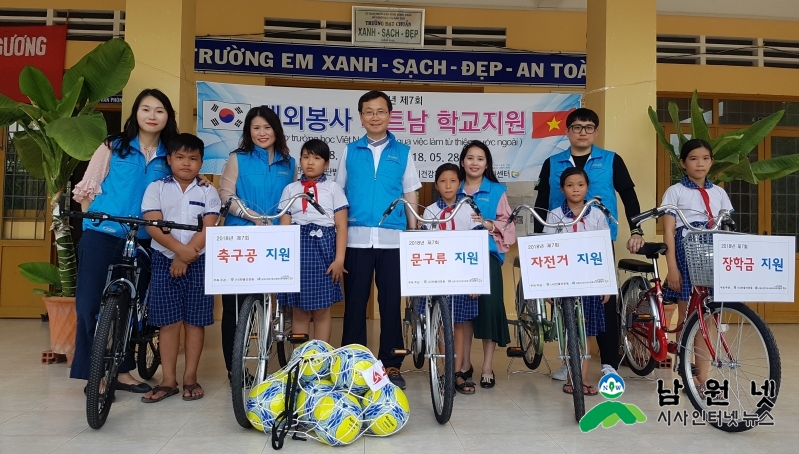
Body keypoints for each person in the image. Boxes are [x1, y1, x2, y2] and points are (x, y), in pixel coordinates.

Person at [70, 88, 179, 393]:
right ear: (136, 113)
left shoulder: (169, 154)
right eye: (146, 109)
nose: (152, 116)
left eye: (160, 110)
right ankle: (94, 372)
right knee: (90, 304)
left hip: (146, 239)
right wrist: (93, 222)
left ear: (167, 116)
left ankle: (122, 370)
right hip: (103, 233)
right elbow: (88, 189)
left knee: (133, 306)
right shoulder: (114, 146)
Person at [533, 107, 643, 380]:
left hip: (598, 243)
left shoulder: (611, 160)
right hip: (560, 243)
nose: (583, 132)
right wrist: (537, 245)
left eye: (589, 127)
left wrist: (636, 229)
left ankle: (608, 362)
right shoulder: (552, 162)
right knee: (565, 304)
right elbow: (541, 203)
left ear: (596, 131)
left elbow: (628, 195)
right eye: (577, 127)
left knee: (605, 301)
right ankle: (569, 361)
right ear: (568, 131)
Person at [335, 90, 422, 389]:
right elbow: (338, 195)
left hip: (393, 241)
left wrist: (413, 233)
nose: (375, 116)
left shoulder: (404, 152)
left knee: (390, 305)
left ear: (389, 115)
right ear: (360, 116)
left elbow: (411, 193)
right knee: (355, 305)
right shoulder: (349, 151)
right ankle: (353, 362)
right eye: (369, 111)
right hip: (356, 240)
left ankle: (392, 363)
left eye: (380, 111)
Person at [140, 133, 221, 402]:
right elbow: (153, 224)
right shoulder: (157, 187)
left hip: (199, 259)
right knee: (168, 322)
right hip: (164, 258)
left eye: (193, 158)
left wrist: (186, 255)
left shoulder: (208, 190)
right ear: (170, 160)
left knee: (195, 321)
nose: (186, 163)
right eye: (180, 157)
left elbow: (209, 226)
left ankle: (190, 378)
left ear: (201, 163)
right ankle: (168, 380)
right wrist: (178, 251)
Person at [219, 106, 296, 378]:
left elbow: (291, 200)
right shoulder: (237, 158)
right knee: (234, 307)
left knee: (267, 304)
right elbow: (226, 195)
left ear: (276, 130)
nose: (262, 133)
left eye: (267, 127)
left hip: (274, 239)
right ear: (248, 132)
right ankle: (235, 369)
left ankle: (263, 359)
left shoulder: (289, 163)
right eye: (256, 128)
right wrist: (251, 217)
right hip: (240, 236)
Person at [662, 138, 732, 389]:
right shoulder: (675, 191)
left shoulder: (719, 193)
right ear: (683, 163)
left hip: (714, 250)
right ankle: (685, 370)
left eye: (705, 158)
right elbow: (668, 231)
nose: (700, 163)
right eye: (693, 158)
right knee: (687, 314)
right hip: (686, 249)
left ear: (712, 161)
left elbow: (726, 227)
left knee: (709, 316)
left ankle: (702, 379)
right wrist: (672, 267)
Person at [543, 167, 612, 396]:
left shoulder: (597, 215)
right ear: (562, 188)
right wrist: (548, 287)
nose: (576, 189)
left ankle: (581, 378)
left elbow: (603, 251)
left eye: (580, 185)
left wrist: (605, 284)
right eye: (570, 185)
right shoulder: (555, 215)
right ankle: (572, 377)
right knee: (568, 328)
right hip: (563, 281)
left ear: (587, 187)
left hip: (590, 280)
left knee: (587, 330)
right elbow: (548, 253)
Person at [275, 139, 348, 343]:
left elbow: (341, 226)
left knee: (322, 312)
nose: (310, 162)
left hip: (324, 251)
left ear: (326, 164)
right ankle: (301, 362)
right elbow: (284, 225)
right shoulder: (290, 189)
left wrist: (339, 260)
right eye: (306, 157)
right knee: (299, 311)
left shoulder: (334, 189)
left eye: (316, 158)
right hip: (297, 249)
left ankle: (320, 359)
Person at [458, 140, 516, 389]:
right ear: (463, 162)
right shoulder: (453, 187)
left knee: (489, 310)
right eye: (470, 158)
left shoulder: (496, 190)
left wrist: (489, 224)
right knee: (464, 312)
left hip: (487, 255)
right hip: (458, 257)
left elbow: (509, 225)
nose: (474, 163)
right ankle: (464, 365)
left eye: (480, 159)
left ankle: (488, 367)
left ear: (487, 164)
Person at [422, 163, 480, 394]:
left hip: (463, 274)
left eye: (453, 181)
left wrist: (476, 279)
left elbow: (476, 245)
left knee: (458, 324)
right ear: (436, 184)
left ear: (460, 184)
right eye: (443, 181)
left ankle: (456, 372)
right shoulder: (429, 211)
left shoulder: (469, 208)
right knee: (441, 324)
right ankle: (445, 370)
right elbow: (425, 245)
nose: (448, 185)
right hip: (438, 274)